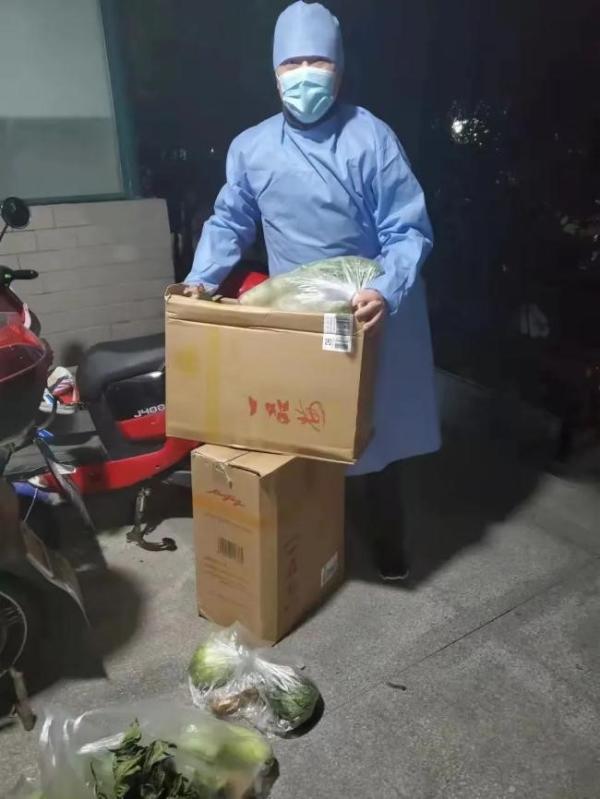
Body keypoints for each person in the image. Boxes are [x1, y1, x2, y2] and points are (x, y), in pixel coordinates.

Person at [184, 1, 440, 580]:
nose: (304, 74)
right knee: (306, 426)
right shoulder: (252, 147)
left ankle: (390, 544)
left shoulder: (371, 138)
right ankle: (314, 542)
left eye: (317, 61)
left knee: (374, 431)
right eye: (291, 63)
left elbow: (407, 229)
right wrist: (201, 279)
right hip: (299, 317)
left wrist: (385, 288)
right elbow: (229, 222)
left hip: (365, 309)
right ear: (274, 73)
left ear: (339, 70)